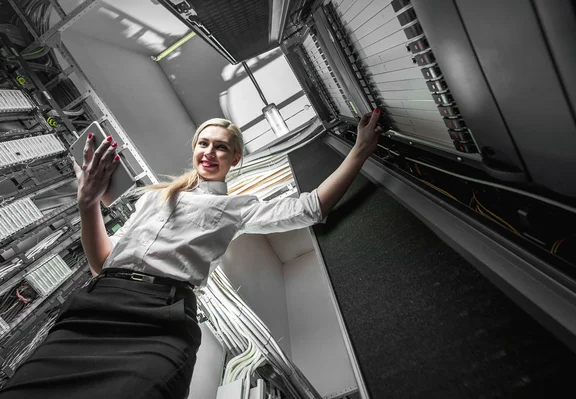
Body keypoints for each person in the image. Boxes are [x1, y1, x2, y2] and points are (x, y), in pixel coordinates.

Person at [0, 109, 381, 399]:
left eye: (221, 147)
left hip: (161, 318)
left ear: (236, 159)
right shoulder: (152, 197)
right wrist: (87, 205)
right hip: (97, 307)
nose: (210, 152)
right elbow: (103, 263)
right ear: (195, 148)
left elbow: (310, 208)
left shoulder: (239, 207)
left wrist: (360, 152)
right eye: (204, 143)